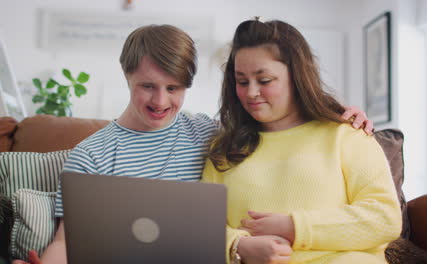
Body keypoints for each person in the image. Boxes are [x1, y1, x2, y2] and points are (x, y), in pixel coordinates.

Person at [12, 24, 373, 264]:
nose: (160, 101)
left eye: (174, 89)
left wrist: (332, 111)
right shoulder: (91, 155)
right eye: (147, 86)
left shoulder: (209, 135)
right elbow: (65, 241)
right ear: (127, 75)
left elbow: (275, 123)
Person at [202, 19, 402, 264]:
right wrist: (238, 245)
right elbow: (203, 226)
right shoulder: (224, 149)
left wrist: (295, 227)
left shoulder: (347, 135)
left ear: (297, 77)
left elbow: (385, 219)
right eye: (242, 82)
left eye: (264, 80)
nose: (251, 92)